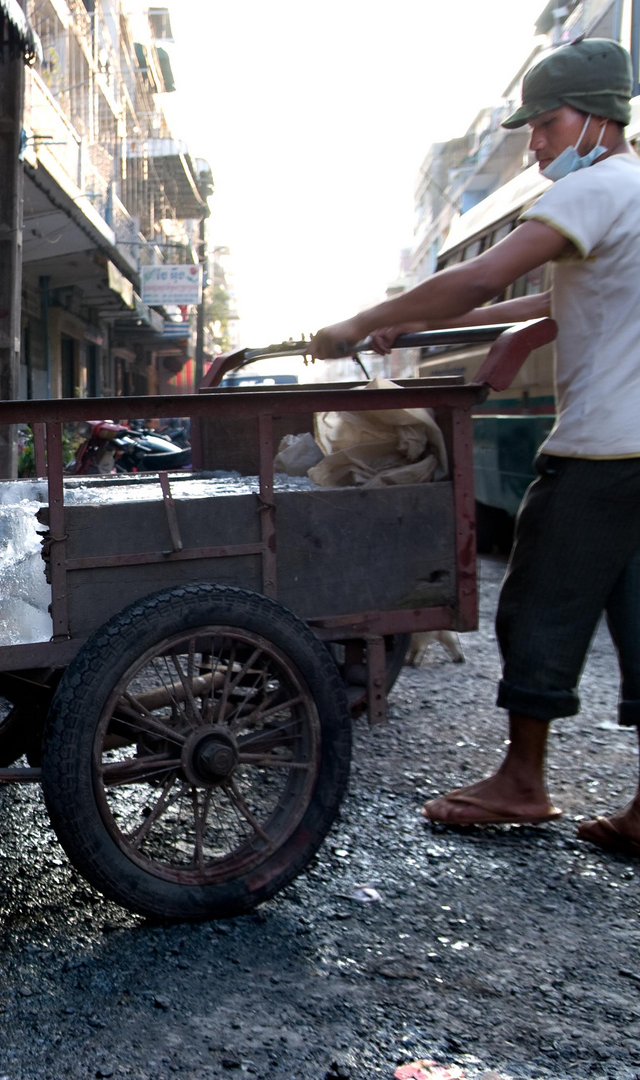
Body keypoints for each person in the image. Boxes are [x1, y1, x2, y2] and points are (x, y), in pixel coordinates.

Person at [309, 39, 640, 856]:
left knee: (536, 605)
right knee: (639, 616)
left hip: (602, 454)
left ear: (597, 116)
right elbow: (554, 294)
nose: (535, 145)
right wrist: (489, 329)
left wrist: (354, 323)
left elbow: (480, 277)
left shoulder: (598, 188)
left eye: (546, 124)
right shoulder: (631, 193)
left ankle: (522, 782)